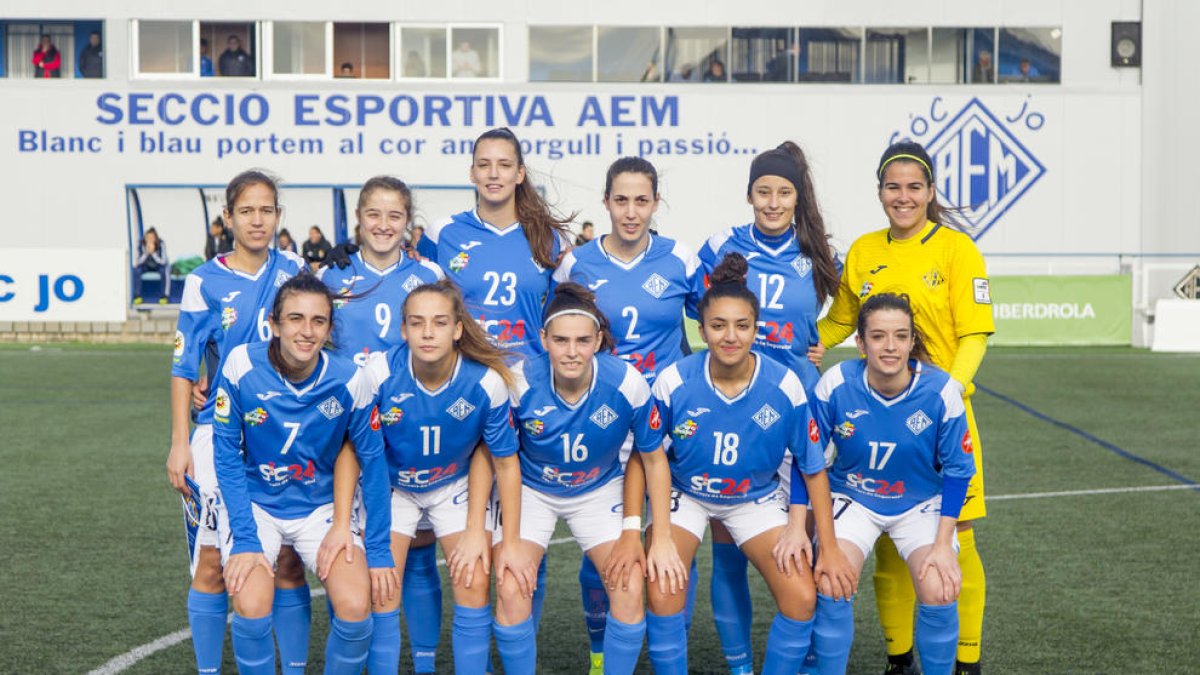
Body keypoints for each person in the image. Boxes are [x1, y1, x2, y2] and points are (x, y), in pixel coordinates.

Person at [814, 140, 995, 675]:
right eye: (893, 187)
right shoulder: (866, 251)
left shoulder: (957, 250)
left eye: (914, 186)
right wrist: (787, 343)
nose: (903, 196)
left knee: (957, 538)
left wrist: (949, 392)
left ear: (930, 191)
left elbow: (976, 334)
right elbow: (838, 323)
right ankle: (900, 658)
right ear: (879, 193)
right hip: (876, 412)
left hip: (941, 414)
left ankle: (967, 660)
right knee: (890, 540)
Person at [644, 252, 850, 675]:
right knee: (663, 586)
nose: (730, 337)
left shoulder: (784, 384)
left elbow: (810, 467)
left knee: (801, 596)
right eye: (718, 326)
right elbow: (649, 458)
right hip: (688, 493)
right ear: (701, 330)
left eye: (741, 326)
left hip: (753, 497)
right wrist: (657, 532)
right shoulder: (676, 380)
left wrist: (815, 539)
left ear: (757, 329)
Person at [553, 157, 705, 672]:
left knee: (671, 548)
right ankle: (600, 656)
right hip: (603, 422)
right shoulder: (577, 265)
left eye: (642, 200)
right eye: (622, 200)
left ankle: (670, 653)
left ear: (656, 203)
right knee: (607, 550)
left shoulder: (680, 259)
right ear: (606, 202)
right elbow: (556, 333)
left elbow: (725, 318)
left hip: (668, 423)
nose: (631, 211)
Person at [698, 141, 841, 674]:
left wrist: (817, 342)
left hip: (799, 408)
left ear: (797, 196)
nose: (773, 202)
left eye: (784, 193)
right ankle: (739, 667)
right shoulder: (722, 246)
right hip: (733, 407)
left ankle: (803, 655)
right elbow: (702, 308)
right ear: (750, 194)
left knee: (800, 539)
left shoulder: (819, 253)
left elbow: (842, 311)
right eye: (764, 192)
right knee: (728, 544)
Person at [493, 283, 685, 675]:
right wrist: (509, 541)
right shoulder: (519, 383)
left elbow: (653, 460)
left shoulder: (627, 383)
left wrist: (655, 535)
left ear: (598, 340)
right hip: (533, 489)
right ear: (544, 339)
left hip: (598, 489)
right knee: (511, 584)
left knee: (630, 585)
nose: (571, 351)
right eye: (561, 340)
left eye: (583, 340)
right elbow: (504, 461)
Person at [211, 274, 396, 675]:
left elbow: (374, 462)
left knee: (354, 605)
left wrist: (377, 550)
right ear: (274, 324)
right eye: (295, 319)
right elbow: (226, 453)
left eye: (318, 321)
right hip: (257, 506)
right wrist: (245, 537)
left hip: (320, 508)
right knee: (251, 599)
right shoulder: (242, 364)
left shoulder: (349, 378)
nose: (306, 331)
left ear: (330, 328)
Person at [167, 170, 309, 674]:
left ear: (278, 216)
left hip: (283, 431)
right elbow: (185, 367)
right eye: (246, 210)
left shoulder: (293, 267)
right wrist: (179, 442)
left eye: (266, 210)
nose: (256, 220)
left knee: (288, 562)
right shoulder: (204, 280)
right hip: (219, 431)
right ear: (228, 218)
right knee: (211, 562)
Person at [348, 280, 520, 674]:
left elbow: (504, 463)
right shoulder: (378, 374)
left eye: (440, 322)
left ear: (458, 329)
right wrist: (346, 522)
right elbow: (353, 448)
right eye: (417, 322)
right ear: (403, 329)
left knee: (473, 579)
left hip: (453, 485)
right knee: (382, 588)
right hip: (392, 486)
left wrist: (496, 536)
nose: (428, 332)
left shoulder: (485, 382)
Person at [317, 177, 447, 674]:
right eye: (374, 214)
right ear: (358, 221)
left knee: (416, 551)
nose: (384, 225)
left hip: (412, 433)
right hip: (349, 437)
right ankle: (358, 652)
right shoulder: (331, 280)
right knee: (350, 548)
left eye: (394, 216)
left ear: (408, 223)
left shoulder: (428, 274)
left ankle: (426, 662)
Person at [809, 293, 975, 675]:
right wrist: (828, 545)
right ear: (860, 342)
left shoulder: (941, 391)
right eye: (879, 336)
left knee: (940, 585)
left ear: (912, 340)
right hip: (853, 497)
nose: (890, 347)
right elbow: (811, 459)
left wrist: (942, 545)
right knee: (832, 582)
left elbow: (958, 470)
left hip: (918, 502)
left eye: (900, 336)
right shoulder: (836, 383)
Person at [425, 126, 573, 359]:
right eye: (484, 165)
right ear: (472, 173)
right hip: (466, 372)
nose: (494, 174)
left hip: (528, 375)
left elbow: (561, 315)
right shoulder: (441, 234)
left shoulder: (551, 237)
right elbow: (410, 285)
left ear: (519, 174)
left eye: (504, 165)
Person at [133, 227, 170, 305]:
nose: (149, 240)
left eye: (152, 238)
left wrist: (153, 254)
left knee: (165, 270)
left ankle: (164, 296)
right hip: (145, 266)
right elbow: (137, 262)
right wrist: (146, 253)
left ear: (155, 238)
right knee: (136, 270)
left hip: (158, 265)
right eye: (148, 238)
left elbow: (163, 261)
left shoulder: (161, 244)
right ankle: (137, 296)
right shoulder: (140, 244)